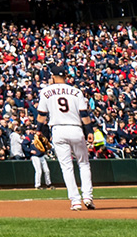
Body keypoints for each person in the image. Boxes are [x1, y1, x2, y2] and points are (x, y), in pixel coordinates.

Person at [36, 76, 95, 211]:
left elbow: (41, 114)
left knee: (66, 167)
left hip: (58, 130)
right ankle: (87, 197)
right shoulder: (76, 91)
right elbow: (84, 114)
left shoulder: (46, 91)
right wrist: (89, 131)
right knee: (84, 164)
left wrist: (38, 130)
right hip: (76, 128)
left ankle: (75, 201)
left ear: (53, 77)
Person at [29, 126, 53, 190]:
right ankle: (37, 185)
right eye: (37, 131)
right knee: (38, 171)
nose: (39, 132)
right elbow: (24, 145)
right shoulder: (30, 137)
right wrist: (29, 151)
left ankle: (48, 184)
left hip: (42, 155)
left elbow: (47, 146)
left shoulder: (42, 138)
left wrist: (46, 148)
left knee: (47, 170)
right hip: (35, 156)